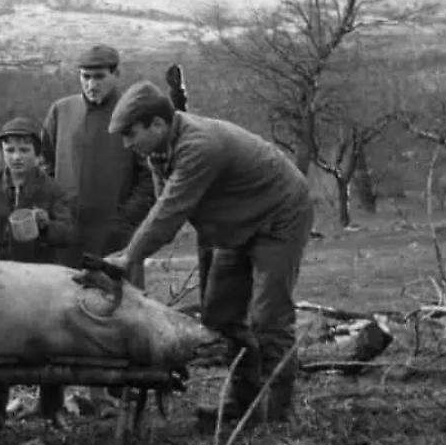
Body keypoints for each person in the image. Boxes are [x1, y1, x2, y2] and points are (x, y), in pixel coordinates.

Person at [104, 81, 314, 426]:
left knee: (269, 317)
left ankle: (278, 416)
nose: (127, 144)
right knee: (220, 315)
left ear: (157, 125)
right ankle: (242, 406)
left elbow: (171, 212)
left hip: (280, 216)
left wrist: (129, 257)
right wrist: (131, 251)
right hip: (237, 225)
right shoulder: (158, 151)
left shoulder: (199, 146)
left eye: (131, 134)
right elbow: (163, 208)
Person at [0, 117, 75, 434]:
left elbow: (69, 232)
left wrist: (46, 224)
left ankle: (52, 407)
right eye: (10, 149)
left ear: (38, 154)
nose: (16, 157)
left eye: (24, 150)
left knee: (49, 344)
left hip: (41, 281)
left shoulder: (52, 190)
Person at [41, 44, 154, 287]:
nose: (92, 84)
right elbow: (45, 164)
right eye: (86, 77)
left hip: (115, 234)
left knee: (121, 306)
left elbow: (150, 175)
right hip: (69, 232)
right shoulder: (61, 110)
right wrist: (56, 213)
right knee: (67, 304)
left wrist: (125, 219)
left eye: (100, 76)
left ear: (116, 75)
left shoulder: (135, 112)